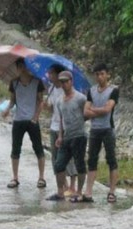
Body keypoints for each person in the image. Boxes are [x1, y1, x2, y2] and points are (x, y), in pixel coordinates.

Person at [2, 58, 46, 189]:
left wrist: (36, 117)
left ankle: (41, 177)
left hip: (32, 120)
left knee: (38, 148)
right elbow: (12, 100)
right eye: (20, 67)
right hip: (18, 119)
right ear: (17, 68)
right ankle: (15, 178)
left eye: (24, 66)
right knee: (15, 149)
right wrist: (7, 109)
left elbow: (41, 101)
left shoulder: (37, 82)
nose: (22, 69)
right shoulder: (14, 83)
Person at [46, 70, 89, 202]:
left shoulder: (80, 98)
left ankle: (79, 192)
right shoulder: (59, 101)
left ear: (71, 82)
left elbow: (86, 115)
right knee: (59, 164)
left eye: (66, 81)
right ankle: (60, 192)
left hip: (79, 135)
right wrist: (60, 136)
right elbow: (61, 120)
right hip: (66, 136)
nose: (64, 84)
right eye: (62, 82)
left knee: (80, 164)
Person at [82, 63, 119, 203]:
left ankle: (112, 191)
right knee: (91, 160)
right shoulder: (91, 91)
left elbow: (107, 109)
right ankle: (89, 191)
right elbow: (85, 111)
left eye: (102, 74)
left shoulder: (113, 91)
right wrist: (99, 110)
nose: (99, 77)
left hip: (107, 128)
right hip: (94, 129)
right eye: (97, 74)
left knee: (111, 159)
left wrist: (94, 111)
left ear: (107, 74)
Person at [45, 64, 77, 197]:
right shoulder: (51, 89)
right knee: (55, 159)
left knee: (68, 158)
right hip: (54, 126)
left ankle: (73, 186)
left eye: (51, 73)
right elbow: (53, 110)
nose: (49, 76)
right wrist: (46, 107)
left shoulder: (67, 90)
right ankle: (64, 186)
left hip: (66, 128)